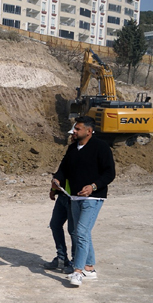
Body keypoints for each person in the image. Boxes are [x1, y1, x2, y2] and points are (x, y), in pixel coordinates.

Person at [51, 116, 115, 287]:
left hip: (93, 198)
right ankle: (89, 268)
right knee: (82, 232)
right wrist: (56, 180)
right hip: (74, 198)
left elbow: (110, 173)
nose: (75, 131)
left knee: (80, 232)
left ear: (89, 131)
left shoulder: (101, 147)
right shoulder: (72, 148)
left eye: (78, 129)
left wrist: (93, 186)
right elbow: (63, 169)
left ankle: (77, 271)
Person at [44, 129, 75, 274]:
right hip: (63, 195)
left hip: (75, 198)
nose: (71, 136)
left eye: (74, 133)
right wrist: (54, 189)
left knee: (74, 231)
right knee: (55, 224)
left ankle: (76, 262)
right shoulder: (71, 150)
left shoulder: (87, 152)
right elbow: (62, 171)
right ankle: (62, 258)